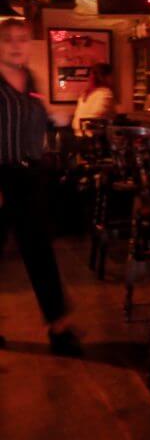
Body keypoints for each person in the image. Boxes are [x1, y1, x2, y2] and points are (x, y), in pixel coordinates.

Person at [0, 18, 81, 356]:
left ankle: (58, 327)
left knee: (39, 251)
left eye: (23, 39)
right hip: (1, 176)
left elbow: (34, 116)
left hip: (29, 176)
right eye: (8, 40)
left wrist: (51, 116)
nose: (17, 45)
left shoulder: (29, 79)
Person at [71, 62, 116, 135]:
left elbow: (95, 118)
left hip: (85, 138)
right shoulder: (104, 93)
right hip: (88, 138)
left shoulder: (101, 94)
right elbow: (95, 117)